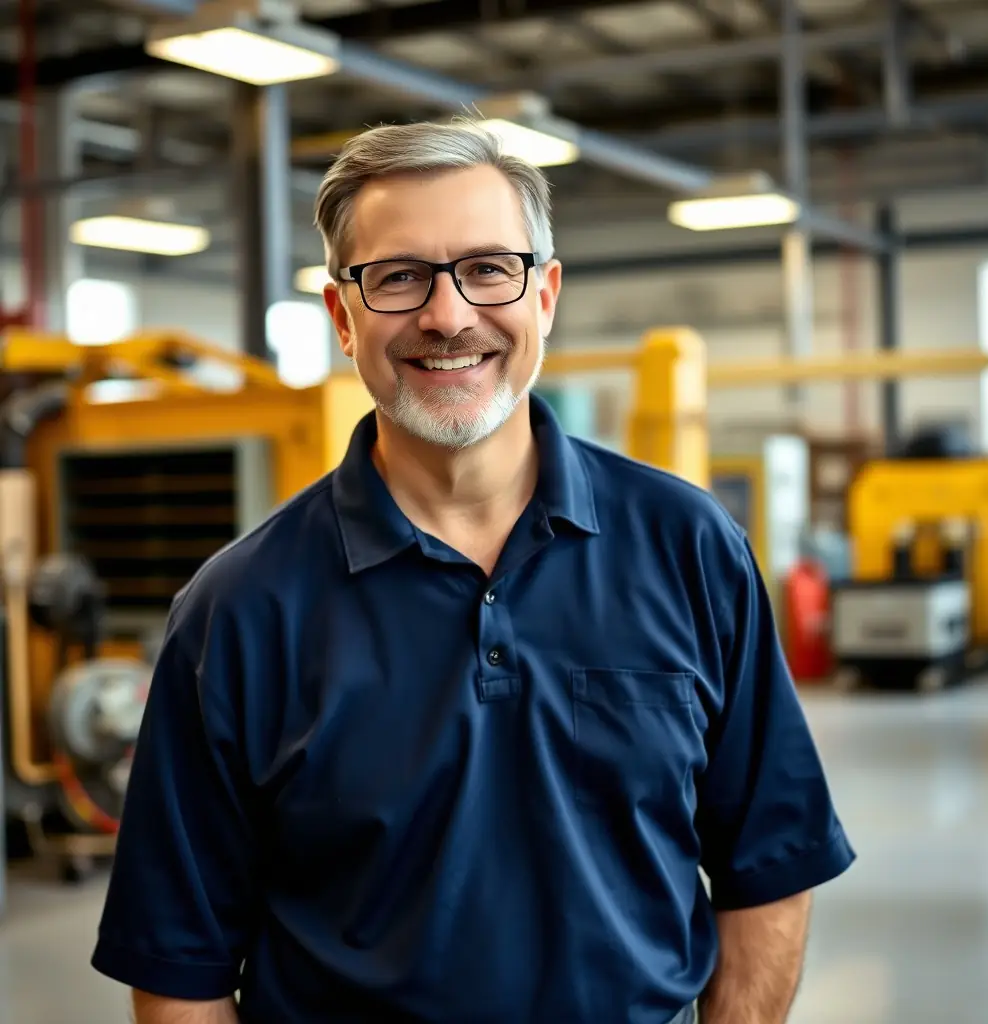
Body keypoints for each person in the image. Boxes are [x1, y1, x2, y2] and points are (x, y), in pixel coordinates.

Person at [92, 119, 855, 1024]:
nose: (447, 316)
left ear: (545, 295)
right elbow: (182, 969)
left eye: (489, 268)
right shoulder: (237, 611)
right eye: (398, 277)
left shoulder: (689, 548)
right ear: (342, 316)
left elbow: (768, 864)